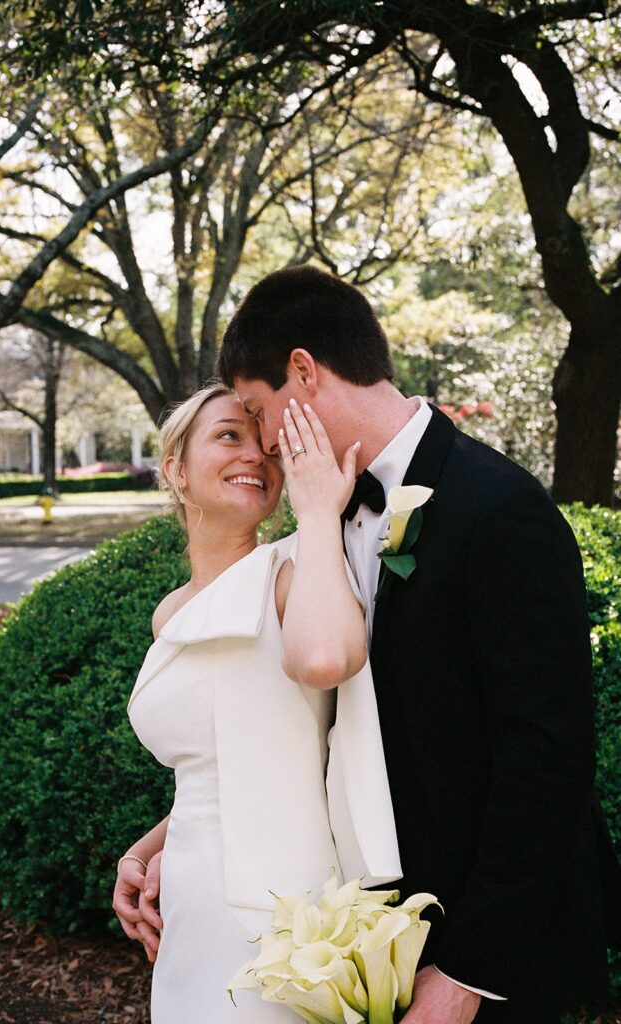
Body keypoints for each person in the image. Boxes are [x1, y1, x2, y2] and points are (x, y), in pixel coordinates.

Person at [211, 264, 619, 1024]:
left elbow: (547, 757)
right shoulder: (315, 527)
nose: (263, 445)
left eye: (258, 412)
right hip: (369, 943)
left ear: (303, 371)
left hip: (489, 958)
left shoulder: (500, 511)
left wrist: (467, 972)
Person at [113, 381, 401, 1022]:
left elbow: (327, 660)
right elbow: (223, 766)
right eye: (227, 436)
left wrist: (320, 512)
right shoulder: (170, 613)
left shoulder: (295, 575)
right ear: (175, 471)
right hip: (190, 905)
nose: (255, 455)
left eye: (263, 442)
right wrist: (143, 852)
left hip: (280, 914)